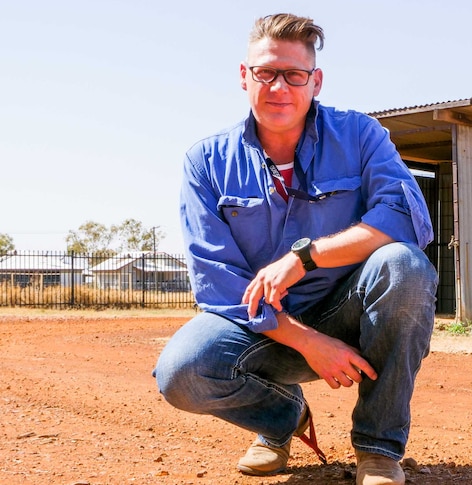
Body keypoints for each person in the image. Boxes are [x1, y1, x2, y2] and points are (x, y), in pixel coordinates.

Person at [153, 13, 438, 485]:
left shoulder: (361, 136)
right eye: (265, 72)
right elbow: (219, 284)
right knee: (181, 372)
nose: (278, 86)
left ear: (315, 81)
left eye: (294, 74)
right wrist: (308, 341)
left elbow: (405, 219)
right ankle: (283, 419)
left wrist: (305, 257)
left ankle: (378, 449)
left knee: (404, 266)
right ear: (244, 76)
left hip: (351, 312)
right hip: (264, 328)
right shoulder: (206, 163)